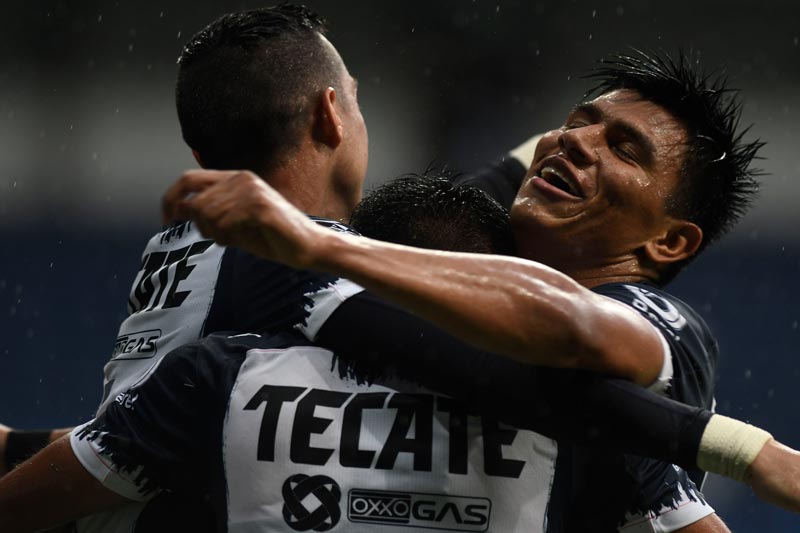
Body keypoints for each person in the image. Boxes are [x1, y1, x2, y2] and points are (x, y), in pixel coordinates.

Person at [155, 49, 800, 526]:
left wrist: (322, 245)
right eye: (578, 121)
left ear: (669, 243)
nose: (576, 140)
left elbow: (577, 331)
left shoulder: (661, 327)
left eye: (625, 149)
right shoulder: (434, 285)